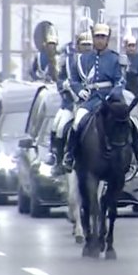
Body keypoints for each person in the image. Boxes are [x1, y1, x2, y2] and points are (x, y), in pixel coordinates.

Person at [62, 20, 138, 172]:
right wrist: (79, 91)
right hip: (90, 100)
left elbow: (120, 80)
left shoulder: (115, 58)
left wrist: (113, 95)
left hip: (111, 100)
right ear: (93, 37)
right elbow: (74, 80)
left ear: (107, 39)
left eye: (103, 37)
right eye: (97, 36)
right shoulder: (82, 59)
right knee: (77, 122)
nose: (99, 40)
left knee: (129, 122)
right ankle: (70, 156)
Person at [47, 30, 91, 175]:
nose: (87, 47)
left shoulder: (97, 60)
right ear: (77, 45)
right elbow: (60, 79)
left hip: (91, 101)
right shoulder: (69, 61)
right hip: (70, 102)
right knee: (58, 126)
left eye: (89, 44)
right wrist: (64, 86)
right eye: (83, 44)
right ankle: (58, 159)